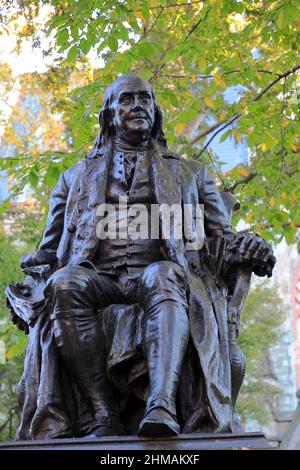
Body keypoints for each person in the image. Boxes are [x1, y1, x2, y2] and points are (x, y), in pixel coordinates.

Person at [11, 75, 275, 439]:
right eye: (127, 99)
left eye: (145, 99)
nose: (138, 106)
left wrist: (252, 246)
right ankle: (102, 413)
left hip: (164, 275)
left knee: (162, 275)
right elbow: (50, 251)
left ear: (156, 112)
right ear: (109, 115)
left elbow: (222, 239)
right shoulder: (74, 179)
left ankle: (161, 404)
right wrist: (28, 286)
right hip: (98, 278)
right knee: (65, 282)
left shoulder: (190, 173)